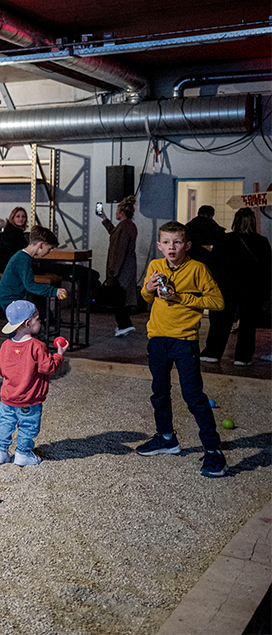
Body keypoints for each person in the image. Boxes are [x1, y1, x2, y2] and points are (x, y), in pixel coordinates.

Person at [136, 221, 228, 478]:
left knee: (193, 396)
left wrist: (181, 297)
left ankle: (213, 451)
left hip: (185, 339)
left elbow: (217, 302)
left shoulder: (198, 268)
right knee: (159, 391)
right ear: (159, 245)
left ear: (187, 245)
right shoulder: (155, 266)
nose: (171, 247)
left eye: (177, 242)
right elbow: (145, 297)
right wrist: (148, 288)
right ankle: (166, 438)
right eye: (166, 242)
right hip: (157, 338)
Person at [0, 300, 66, 466]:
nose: (40, 321)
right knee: (27, 426)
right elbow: (49, 367)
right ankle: (22, 454)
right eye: (37, 318)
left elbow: (0, 367)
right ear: (28, 323)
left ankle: (0, 451)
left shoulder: (5, 345)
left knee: (5, 423)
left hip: (7, 398)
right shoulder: (37, 346)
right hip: (29, 400)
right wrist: (59, 355)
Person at [202, 207, 272, 366]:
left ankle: (213, 353)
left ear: (235, 221)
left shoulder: (224, 240)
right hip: (252, 290)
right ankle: (243, 357)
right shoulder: (262, 242)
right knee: (248, 324)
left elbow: (215, 263)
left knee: (221, 321)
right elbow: (268, 268)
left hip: (228, 288)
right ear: (253, 222)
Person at [0, 225, 68, 310]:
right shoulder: (24, 259)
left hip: (10, 298)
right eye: (49, 249)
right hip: (10, 299)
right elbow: (30, 285)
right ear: (41, 245)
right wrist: (54, 291)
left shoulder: (23, 256)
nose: (48, 252)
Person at [97, 195, 138, 336]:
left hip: (121, 270)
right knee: (123, 298)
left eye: (117, 211)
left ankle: (124, 325)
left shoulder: (123, 228)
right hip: (127, 268)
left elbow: (118, 251)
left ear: (121, 212)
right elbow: (114, 234)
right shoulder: (128, 226)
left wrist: (112, 273)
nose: (115, 213)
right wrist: (104, 218)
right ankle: (125, 325)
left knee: (118, 297)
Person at [0, 207, 30, 271]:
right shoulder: (11, 233)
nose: (21, 219)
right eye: (18, 216)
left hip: (8, 263)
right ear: (13, 218)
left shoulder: (14, 231)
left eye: (23, 217)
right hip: (7, 265)